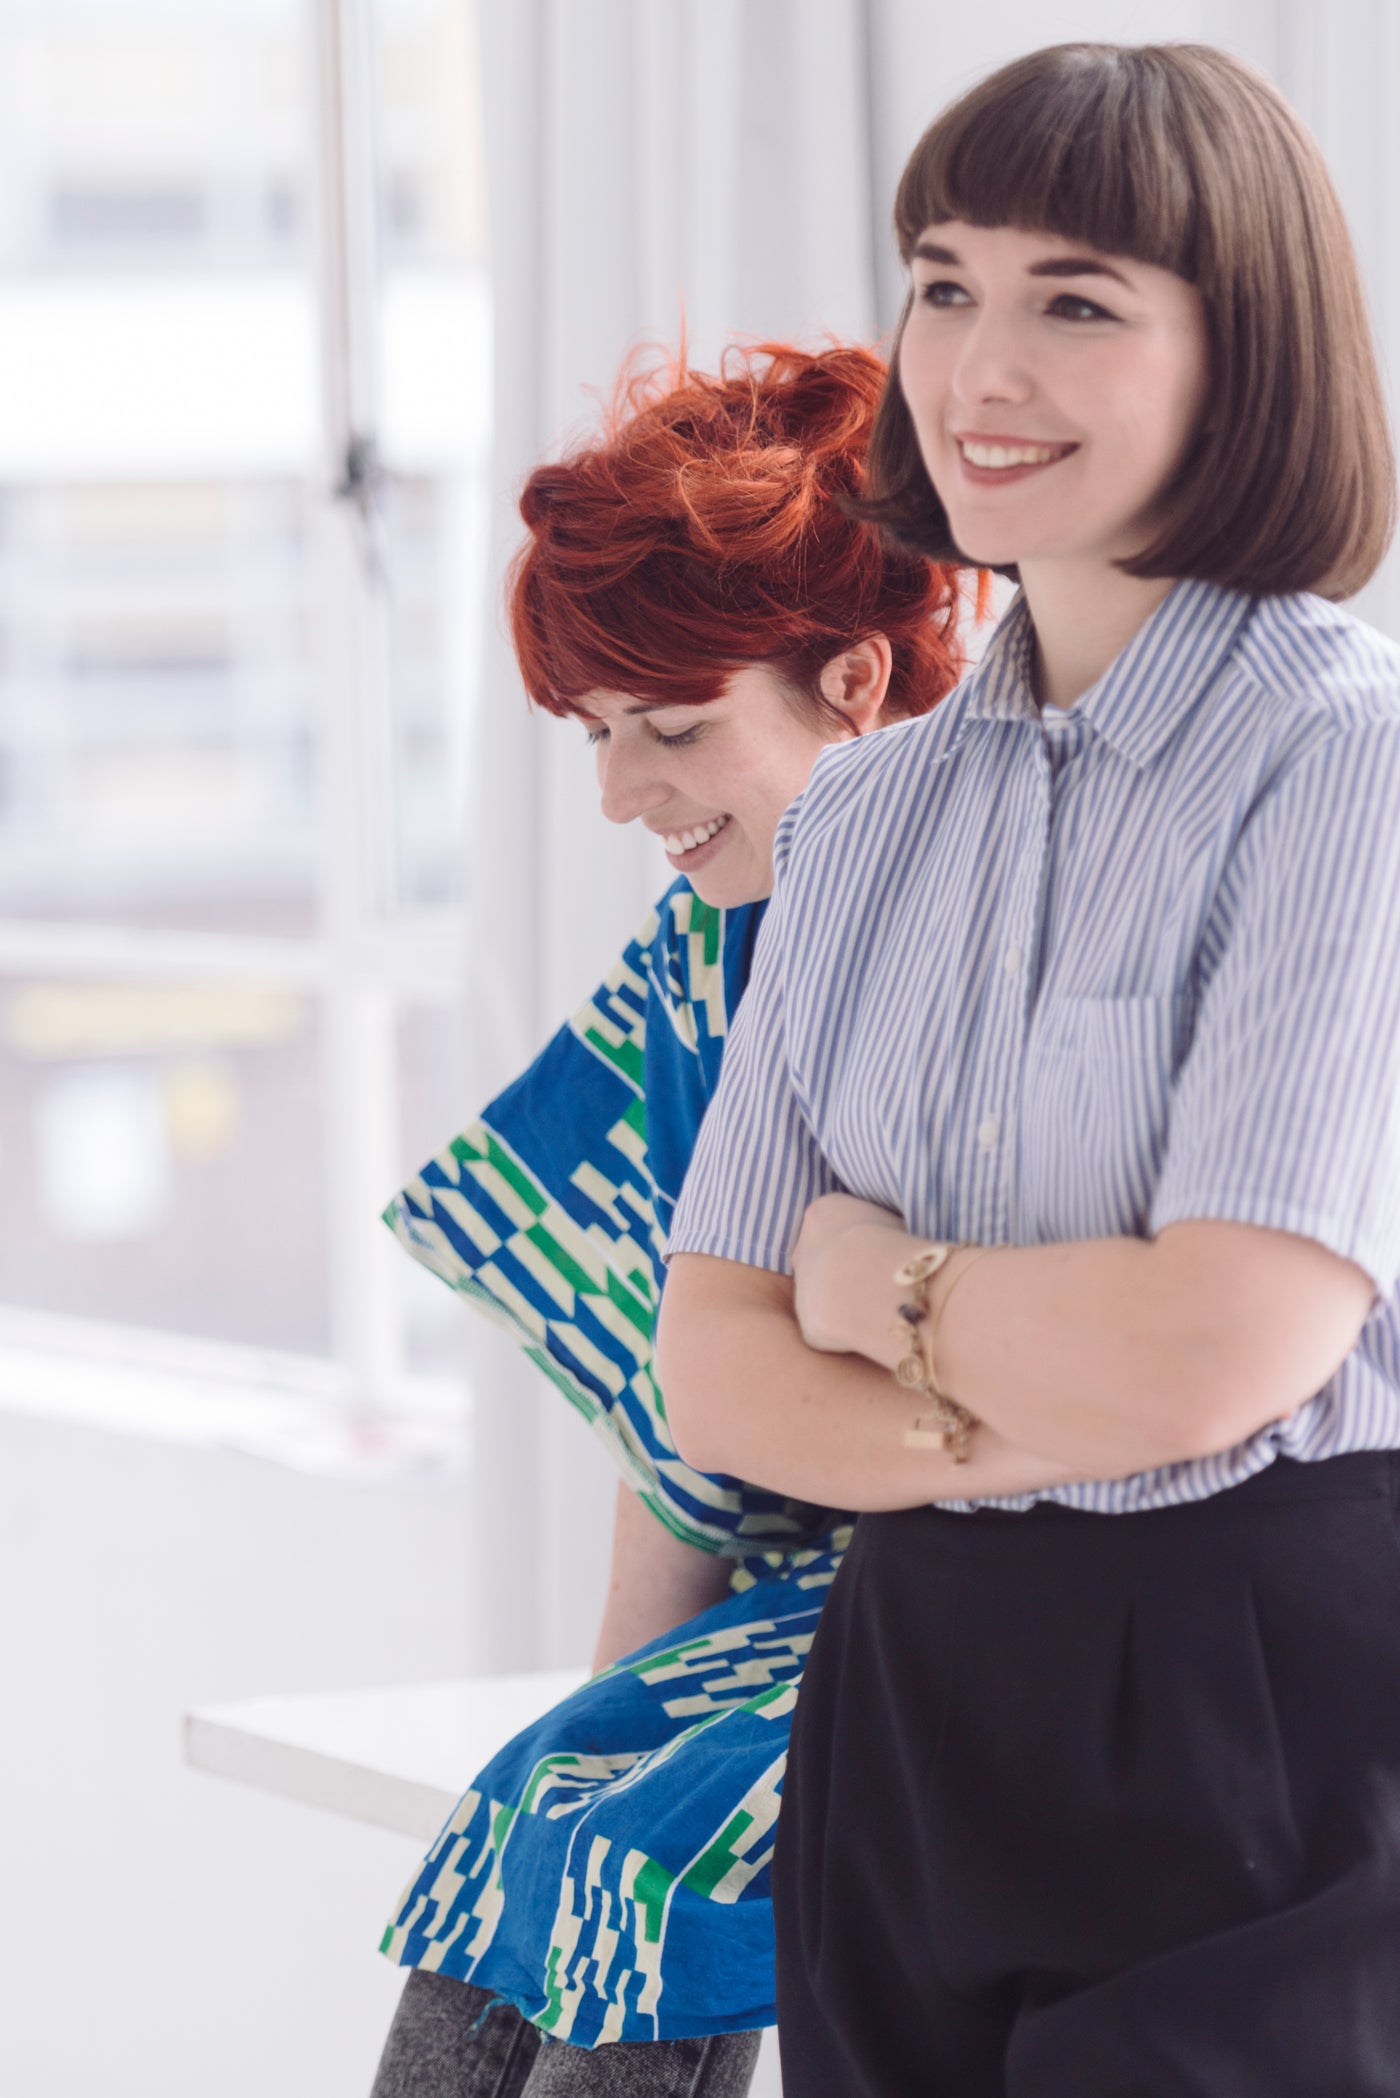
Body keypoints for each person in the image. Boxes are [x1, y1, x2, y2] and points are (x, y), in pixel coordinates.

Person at [661, 41, 1400, 2098]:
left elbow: (1224, 1346)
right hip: (910, 1689)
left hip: (1266, 1696)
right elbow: (712, 1369)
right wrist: (1024, 1409)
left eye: (1076, 301)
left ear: (1242, 351)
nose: (981, 366)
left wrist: (871, 1288)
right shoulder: (860, 811)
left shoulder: (1348, 759)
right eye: (944, 283)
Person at [368, 341, 972, 2097]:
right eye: (599, 733)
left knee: (648, 1855)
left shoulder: (1003, 939)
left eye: (677, 726)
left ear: (853, 679)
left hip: (998, 1590)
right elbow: (677, 1407)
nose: (623, 794)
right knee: (530, 1835)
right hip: (799, 1593)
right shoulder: (707, 950)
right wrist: (599, 1713)